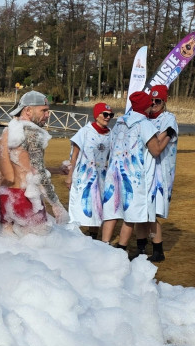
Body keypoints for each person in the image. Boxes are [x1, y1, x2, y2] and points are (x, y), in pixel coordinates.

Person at [100, 90, 170, 251]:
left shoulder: (120, 121)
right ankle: (121, 248)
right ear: (146, 105)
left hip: (114, 172)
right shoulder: (144, 124)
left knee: (112, 211)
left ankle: (103, 246)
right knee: (131, 214)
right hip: (133, 175)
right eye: (150, 103)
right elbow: (156, 150)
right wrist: (167, 135)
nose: (152, 105)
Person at [0, 90, 67, 233]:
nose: (47, 115)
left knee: (10, 248)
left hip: (6, 197)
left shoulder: (7, 131)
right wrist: (56, 204)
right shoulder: (33, 133)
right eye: (43, 110)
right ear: (28, 110)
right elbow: (38, 172)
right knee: (35, 251)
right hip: (25, 198)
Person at [139, 84, 178, 262]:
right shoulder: (145, 118)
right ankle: (140, 248)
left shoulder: (168, 118)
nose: (154, 103)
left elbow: (158, 142)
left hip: (160, 171)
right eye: (151, 100)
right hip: (143, 170)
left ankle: (157, 250)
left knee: (152, 211)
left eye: (158, 100)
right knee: (141, 210)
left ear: (164, 102)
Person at [64, 102, 113, 233]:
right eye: (105, 114)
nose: (108, 117)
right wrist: (69, 176)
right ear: (97, 115)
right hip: (84, 176)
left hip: (101, 177)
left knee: (98, 207)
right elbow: (74, 156)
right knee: (80, 206)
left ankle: (93, 237)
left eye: (110, 115)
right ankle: (73, 234)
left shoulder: (111, 134)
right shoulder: (84, 132)